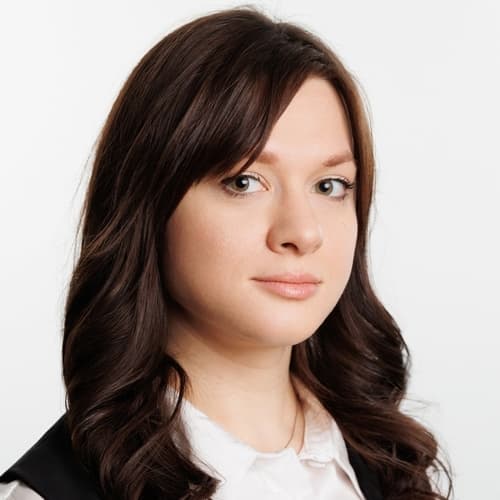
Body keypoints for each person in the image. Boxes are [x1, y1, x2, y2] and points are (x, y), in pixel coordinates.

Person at [0, 5, 453, 500]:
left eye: (329, 185)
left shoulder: (389, 468)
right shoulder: (56, 493)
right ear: (151, 203)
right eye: (244, 181)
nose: (303, 232)